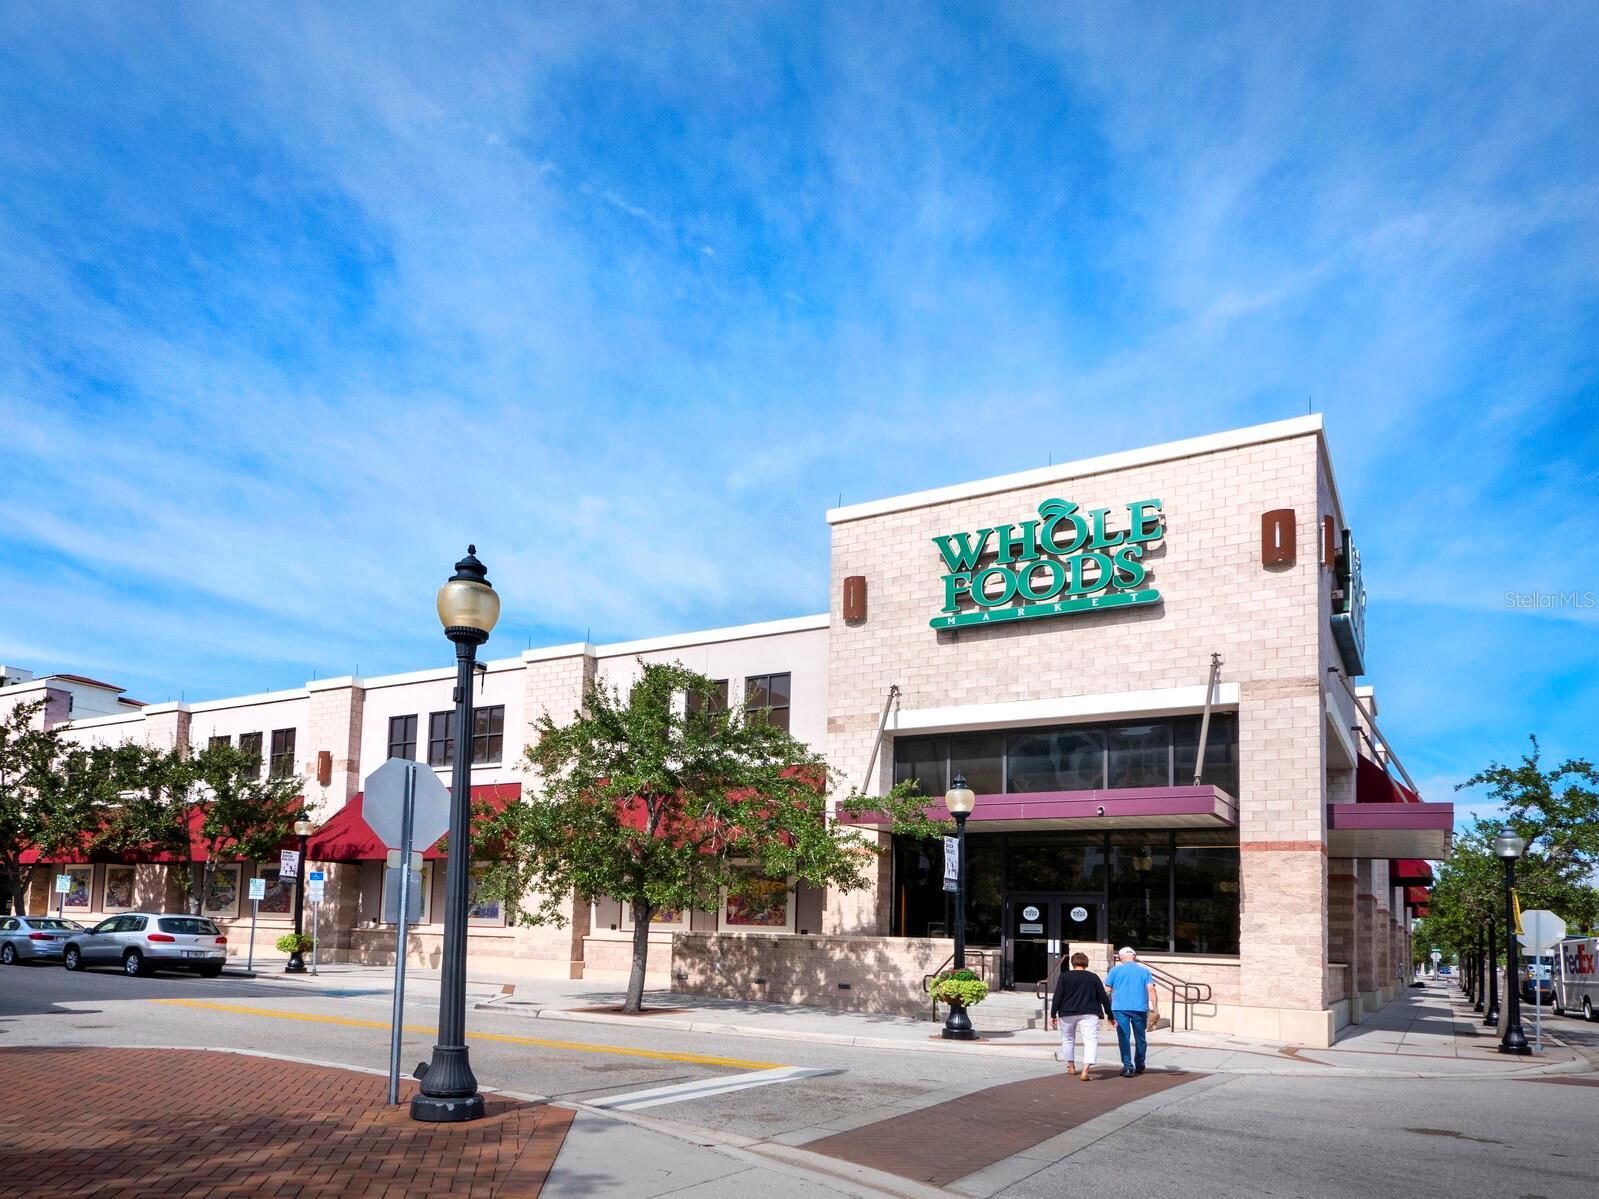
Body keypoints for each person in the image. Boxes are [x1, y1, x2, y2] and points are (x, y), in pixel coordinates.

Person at [1049, 951, 1111, 1081]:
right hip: (1089, 1012)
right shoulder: (1093, 977)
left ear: (1072, 963)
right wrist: (1109, 1014)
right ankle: (1085, 1070)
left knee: (1068, 1039)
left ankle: (1071, 1066)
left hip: (1067, 1011)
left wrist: (1053, 1014)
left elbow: (1058, 996)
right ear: (1086, 963)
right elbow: (1103, 997)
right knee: (1090, 1040)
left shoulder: (1064, 976)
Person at [1103, 946, 1159, 1077]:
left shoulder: (1115, 970)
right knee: (1140, 1037)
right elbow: (1151, 989)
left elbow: (1107, 989)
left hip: (1119, 1008)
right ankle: (1140, 1064)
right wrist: (1155, 1009)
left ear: (1121, 957)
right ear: (1134, 957)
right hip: (1139, 1008)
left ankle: (1127, 1066)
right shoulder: (1144, 971)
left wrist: (1105, 1006)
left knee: (1124, 1037)